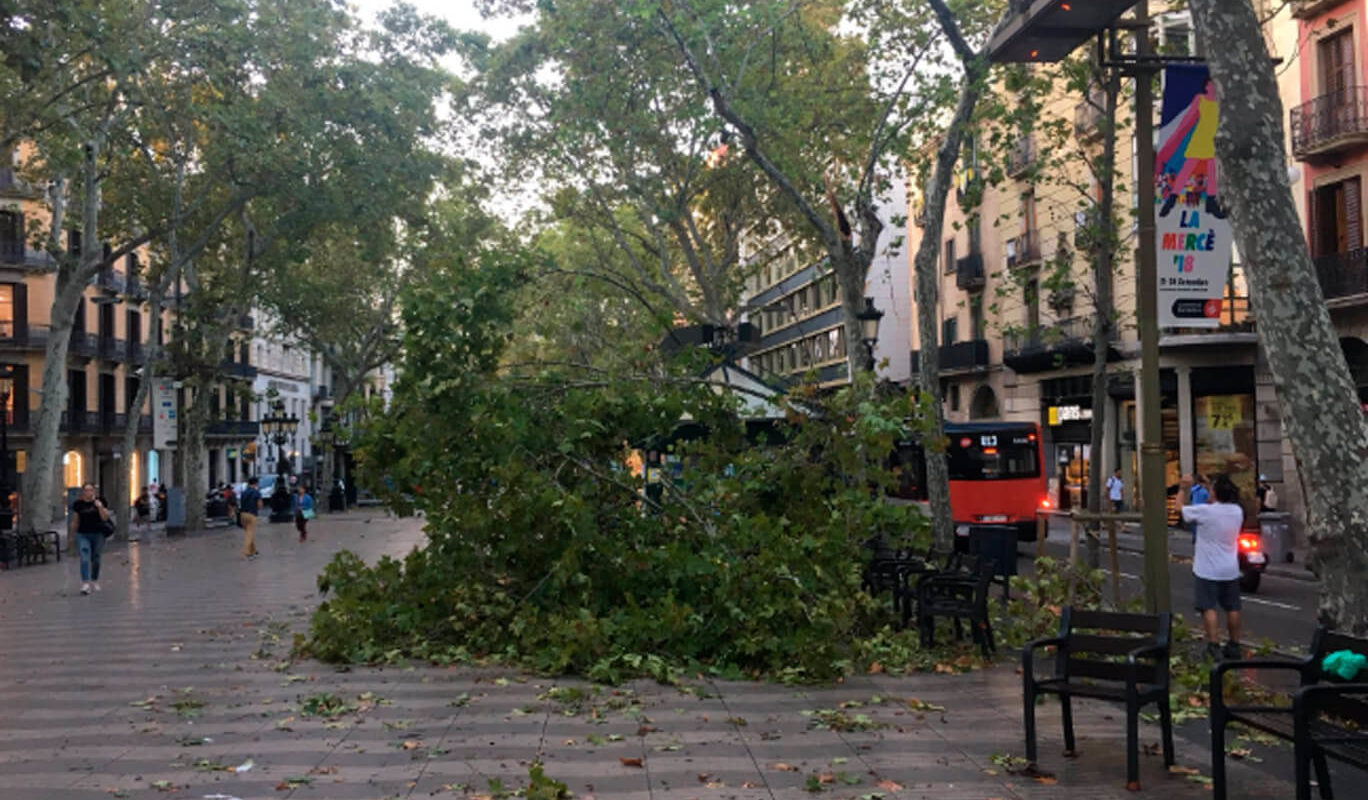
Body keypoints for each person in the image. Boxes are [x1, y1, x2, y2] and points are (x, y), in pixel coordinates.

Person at [1179, 473, 1245, 661]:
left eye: (1211, 489)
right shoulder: (1237, 511)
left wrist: (1183, 488)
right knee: (1232, 608)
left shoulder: (1205, 511)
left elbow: (1179, 508)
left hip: (1207, 569)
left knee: (1208, 607)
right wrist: (1211, 483)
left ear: (1215, 493)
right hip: (1230, 568)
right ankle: (1234, 644)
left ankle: (1214, 645)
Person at [70, 483, 110, 595]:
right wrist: (72, 536)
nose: (88, 492)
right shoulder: (78, 504)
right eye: (86, 490)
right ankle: (85, 583)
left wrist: (100, 507)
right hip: (82, 534)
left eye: (91, 490)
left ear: (94, 491)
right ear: (83, 492)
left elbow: (105, 518)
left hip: (98, 534)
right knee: (84, 557)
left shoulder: (100, 501)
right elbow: (75, 521)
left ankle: (94, 579)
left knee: (96, 558)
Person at [239, 477, 261, 559]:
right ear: (255, 483)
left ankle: (253, 551)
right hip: (252, 515)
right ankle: (247, 552)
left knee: (248, 533)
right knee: (250, 534)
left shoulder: (244, 492)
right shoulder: (256, 492)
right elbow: (259, 505)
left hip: (243, 515)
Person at [1188, 473, 1211, 543]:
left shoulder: (1193, 490)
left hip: (1194, 509)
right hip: (1202, 510)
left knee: (1194, 525)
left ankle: (1195, 536)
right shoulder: (1205, 491)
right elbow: (1209, 500)